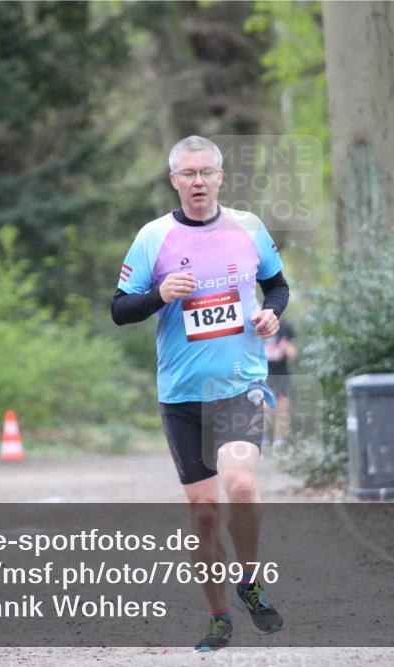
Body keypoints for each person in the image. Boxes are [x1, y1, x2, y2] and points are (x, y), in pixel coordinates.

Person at [111, 136, 289, 652]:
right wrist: (158, 295)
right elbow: (119, 309)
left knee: (241, 485)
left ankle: (249, 580)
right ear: (174, 180)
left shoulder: (249, 227)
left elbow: (278, 286)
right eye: (188, 174)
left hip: (239, 384)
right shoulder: (153, 238)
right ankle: (218, 617)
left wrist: (272, 312)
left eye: (206, 172)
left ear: (220, 177)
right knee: (205, 512)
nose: (198, 182)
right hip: (182, 394)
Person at [263, 319, 297, 451]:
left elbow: (293, 353)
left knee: (282, 409)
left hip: (281, 373)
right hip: (263, 373)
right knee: (263, 407)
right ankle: (264, 438)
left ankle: (279, 441)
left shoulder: (285, 327)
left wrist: (287, 348)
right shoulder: (256, 323)